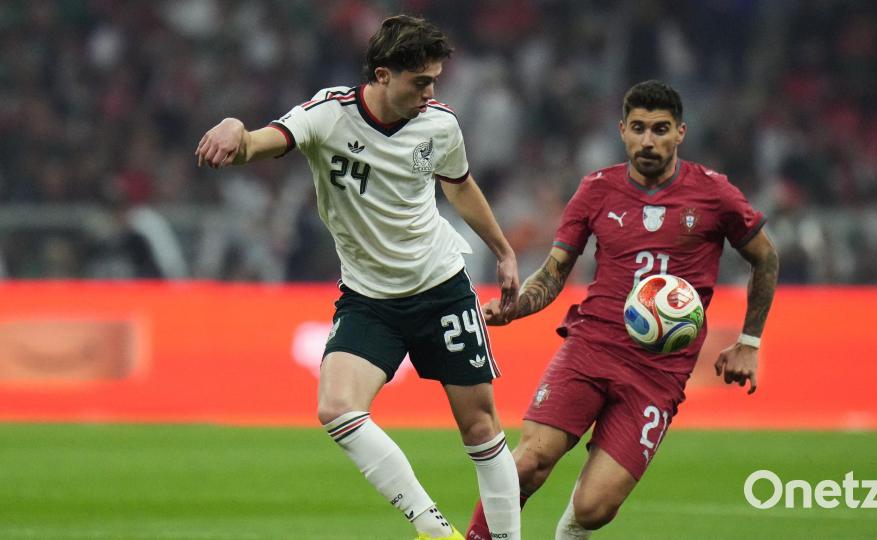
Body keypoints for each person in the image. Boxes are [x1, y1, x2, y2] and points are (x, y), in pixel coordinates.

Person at [195, 15, 522, 540]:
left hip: (441, 287)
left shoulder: (440, 124)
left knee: (481, 426)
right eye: (421, 81)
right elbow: (260, 143)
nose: (430, 92)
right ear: (382, 74)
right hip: (370, 299)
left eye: (434, 80)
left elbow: (459, 187)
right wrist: (236, 126)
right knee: (337, 409)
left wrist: (503, 251)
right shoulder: (328, 115)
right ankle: (434, 529)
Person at [466, 80, 779, 539]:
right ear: (622, 131)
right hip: (592, 346)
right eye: (638, 128)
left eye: (660, 129)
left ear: (680, 133)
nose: (648, 140)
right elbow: (555, 270)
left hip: (659, 373)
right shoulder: (595, 190)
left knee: (594, 508)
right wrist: (516, 307)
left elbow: (765, 257)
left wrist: (749, 342)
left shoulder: (714, 194)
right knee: (529, 462)